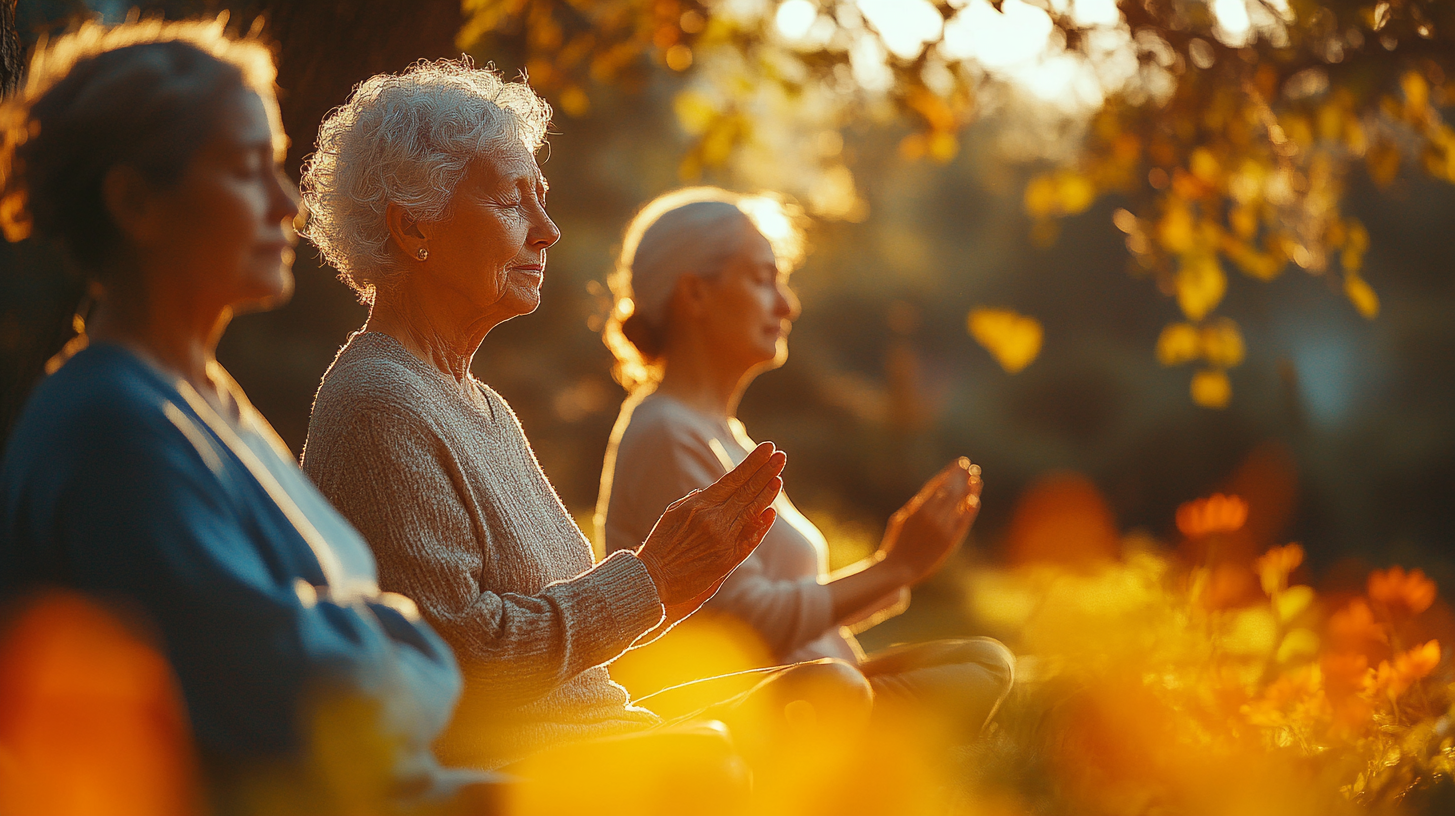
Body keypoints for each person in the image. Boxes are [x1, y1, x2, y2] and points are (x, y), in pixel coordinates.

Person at [297, 59, 868, 795]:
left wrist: (677, 583)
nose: (548, 230)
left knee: (833, 690)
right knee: (752, 751)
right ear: (413, 226)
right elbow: (462, 665)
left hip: (606, 728)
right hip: (514, 773)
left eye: (543, 199)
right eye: (512, 201)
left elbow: (573, 634)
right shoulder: (379, 403)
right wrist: (653, 578)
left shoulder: (482, 404)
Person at [0, 20, 488, 814]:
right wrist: (404, 645)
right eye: (244, 169)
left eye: (277, 165)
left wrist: (376, 645)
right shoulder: (112, 429)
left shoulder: (206, 401)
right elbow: (289, 696)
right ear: (135, 202)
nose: (287, 204)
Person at [597, 187, 1015, 737]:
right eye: (762, 279)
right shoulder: (666, 433)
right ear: (695, 294)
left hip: (818, 682)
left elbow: (792, 615)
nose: (787, 305)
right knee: (874, 687)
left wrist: (898, 572)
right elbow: (744, 626)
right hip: (744, 710)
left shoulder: (722, 434)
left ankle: (866, 728)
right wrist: (894, 567)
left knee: (983, 659)